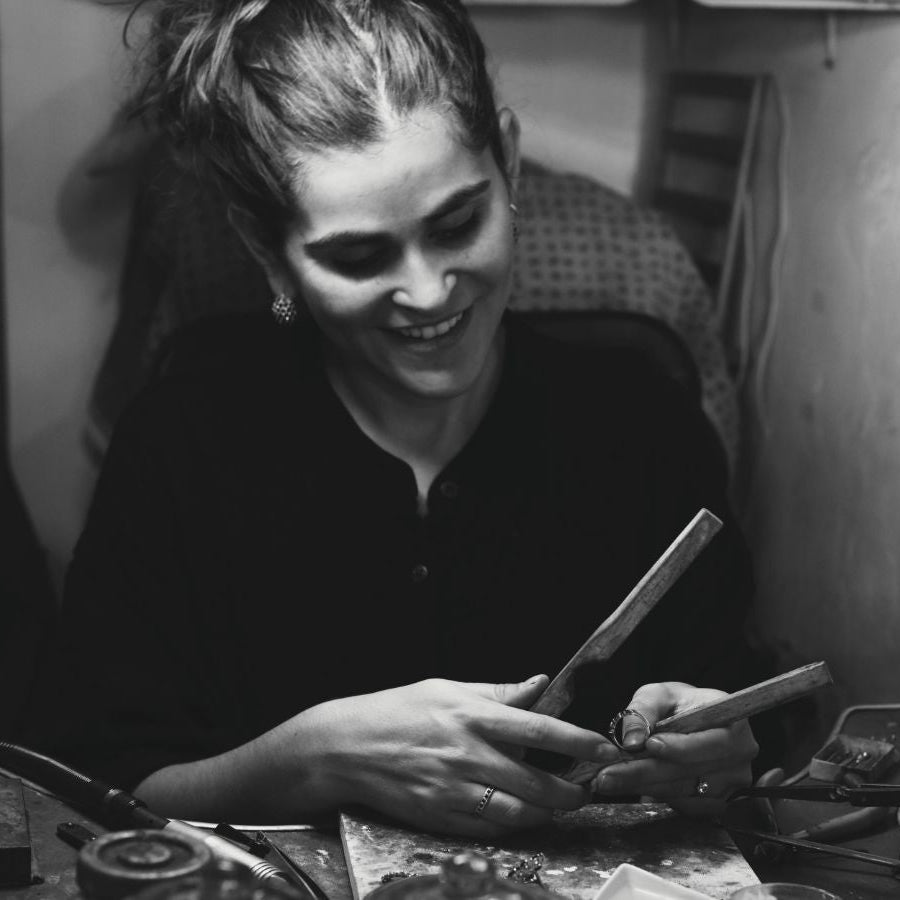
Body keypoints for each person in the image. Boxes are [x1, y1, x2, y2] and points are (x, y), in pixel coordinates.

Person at [25, 0, 762, 838]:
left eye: (458, 223)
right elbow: (77, 789)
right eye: (358, 255)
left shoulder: (643, 426)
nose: (427, 292)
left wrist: (722, 756)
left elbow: (741, 737)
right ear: (268, 251)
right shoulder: (183, 446)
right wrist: (310, 757)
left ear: (509, 166)